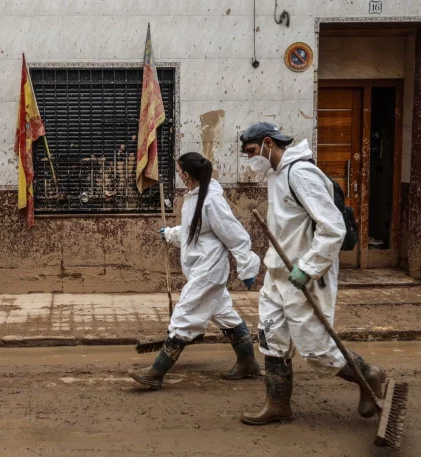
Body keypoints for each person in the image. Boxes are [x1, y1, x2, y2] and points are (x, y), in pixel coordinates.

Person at [238, 122, 386, 425]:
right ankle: (278, 404)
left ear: (268, 143)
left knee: (317, 352)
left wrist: (307, 268)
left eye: (252, 151)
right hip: (278, 273)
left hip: (306, 275)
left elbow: (333, 228)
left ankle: (369, 375)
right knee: (272, 339)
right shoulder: (275, 175)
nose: (251, 158)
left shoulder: (300, 174)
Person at [128, 152, 261, 389]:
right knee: (225, 314)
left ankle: (156, 373)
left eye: (179, 173)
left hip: (208, 271)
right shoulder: (195, 197)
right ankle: (248, 362)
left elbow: (236, 236)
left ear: (187, 175)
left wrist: (247, 266)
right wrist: (171, 234)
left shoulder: (211, 200)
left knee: (184, 315)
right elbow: (195, 231)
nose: (179, 177)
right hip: (202, 267)